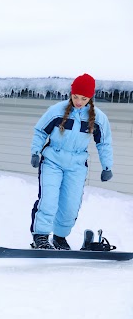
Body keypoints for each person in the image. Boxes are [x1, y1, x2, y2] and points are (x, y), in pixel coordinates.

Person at [29, 73, 113, 250]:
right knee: (49, 199)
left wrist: (107, 166)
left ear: (90, 97)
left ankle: (60, 237)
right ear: (71, 93)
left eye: (83, 98)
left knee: (71, 205)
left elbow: (104, 143)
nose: (79, 101)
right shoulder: (57, 110)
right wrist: (36, 152)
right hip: (52, 161)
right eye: (75, 96)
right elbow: (40, 131)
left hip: (76, 165)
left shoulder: (98, 118)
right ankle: (41, 236)